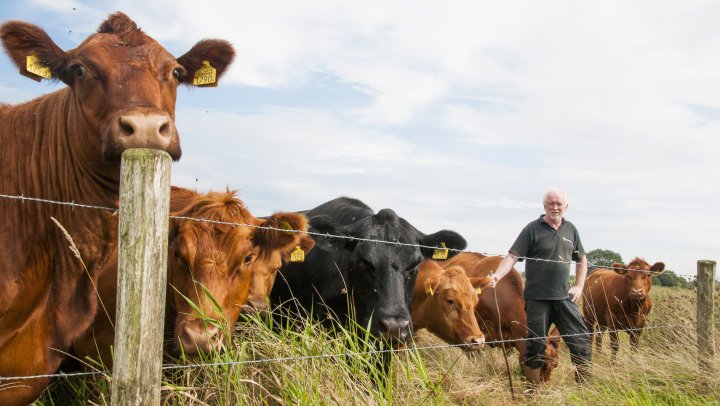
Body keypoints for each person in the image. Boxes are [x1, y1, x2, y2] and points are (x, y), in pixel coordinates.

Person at [490, 188, 591, 391]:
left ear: (566, 206)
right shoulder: (532, 229)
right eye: (551, 203)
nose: (555, 207)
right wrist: (497, 276)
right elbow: (512, 256)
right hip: (537, 300)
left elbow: (581, 259)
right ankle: (532, 392)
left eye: (558, 204)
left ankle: (585, 388)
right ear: (544, 206)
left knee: (581, 339)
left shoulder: (571, 229)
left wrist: (579, 285)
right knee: (535, 346)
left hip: (564, 298)